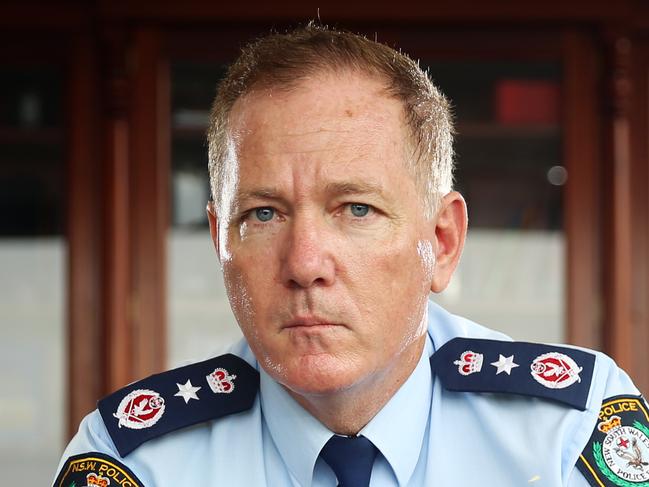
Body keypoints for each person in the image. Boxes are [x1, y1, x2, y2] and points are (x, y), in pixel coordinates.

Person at [53, 24, 648, 487]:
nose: (305, 263)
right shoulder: (134, 463)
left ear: (442, 243)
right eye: (263, 214)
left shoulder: (568, 434)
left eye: (356, 209)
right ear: (220, 242)